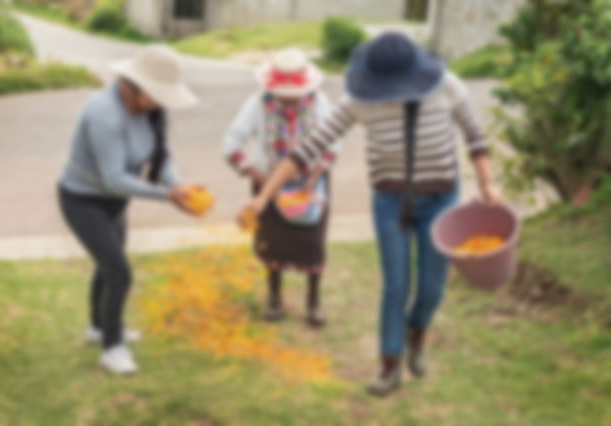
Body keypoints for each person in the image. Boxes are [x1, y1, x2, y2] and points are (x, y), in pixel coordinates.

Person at [238, 33, 502, 396]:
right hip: (390, 200)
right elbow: (307, 149)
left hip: (441, 199)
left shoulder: (447, 86)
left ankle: (417, 333)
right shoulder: (361, 99)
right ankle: (389, 365)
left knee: (431, 287)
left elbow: (475, 137)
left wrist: (487, 184)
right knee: (395, 286)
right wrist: (264, 196)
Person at [58, 45, 203, 375]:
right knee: (119, 272)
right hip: (83, 200)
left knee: (107, 266)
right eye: (157, 93)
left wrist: (177, 185)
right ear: (128, 86)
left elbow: (161, 159)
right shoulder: (103, 114)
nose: (162, 102)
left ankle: (98, 328)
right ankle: (112, 348)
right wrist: (168, 197)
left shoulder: (150, 108)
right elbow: (113, 179)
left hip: (114, 202)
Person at [224, 48, 340, 327]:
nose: (288, 99)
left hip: (310, 183)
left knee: (312, 242)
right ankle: (274, 298)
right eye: (282, 93)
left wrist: (319, 171)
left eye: (294, 93)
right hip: (268, 183)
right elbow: (231, 143)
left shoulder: (320, 102)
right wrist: (255, 174)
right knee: (273, 241)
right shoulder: (258, 103)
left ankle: (313, 302)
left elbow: (334, 141)